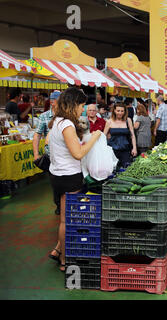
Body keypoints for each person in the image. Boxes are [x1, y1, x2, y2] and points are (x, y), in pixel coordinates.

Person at [46, 87, 102, 272]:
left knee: (64, 216)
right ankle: (64, 261)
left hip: (57, 174)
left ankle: (57, 250)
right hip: (69, 176)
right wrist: (94, 138)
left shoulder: (56, 122)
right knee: (67, 220)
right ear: (73, 104)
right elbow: (78, 154)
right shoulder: (67, 125)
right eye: (82, 105)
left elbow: (63, 147)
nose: (83, 109)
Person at [33, 90, 61, 215]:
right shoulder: (44, 116)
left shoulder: (66, 115)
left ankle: (65, 203)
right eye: (53, 100)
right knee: (55, 183)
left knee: (66, 181)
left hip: (65, 155)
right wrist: (36, 154)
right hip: (51, 156)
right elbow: (37, 135)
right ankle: (59, 204)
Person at [104, 103, 137, 168]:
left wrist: (134, 148)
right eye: (118, 111)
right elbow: (103, 136)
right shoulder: (109, 121)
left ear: (125, 112)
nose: (120, 113)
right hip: (112, 150)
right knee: (112, 169)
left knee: (126, 168)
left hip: (125, 149)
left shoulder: (128, 120)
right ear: (114, 111)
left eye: (122, 111)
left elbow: (132, 135)